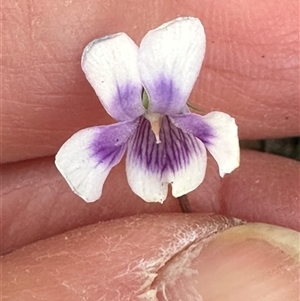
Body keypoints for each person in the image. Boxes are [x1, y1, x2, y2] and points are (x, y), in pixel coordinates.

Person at [2, 0, 299, 299]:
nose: (157, 133)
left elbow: (214, 138)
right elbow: (87, 163)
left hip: (161, 124)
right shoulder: (160, 119)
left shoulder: (163, 120)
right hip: (163, 124)